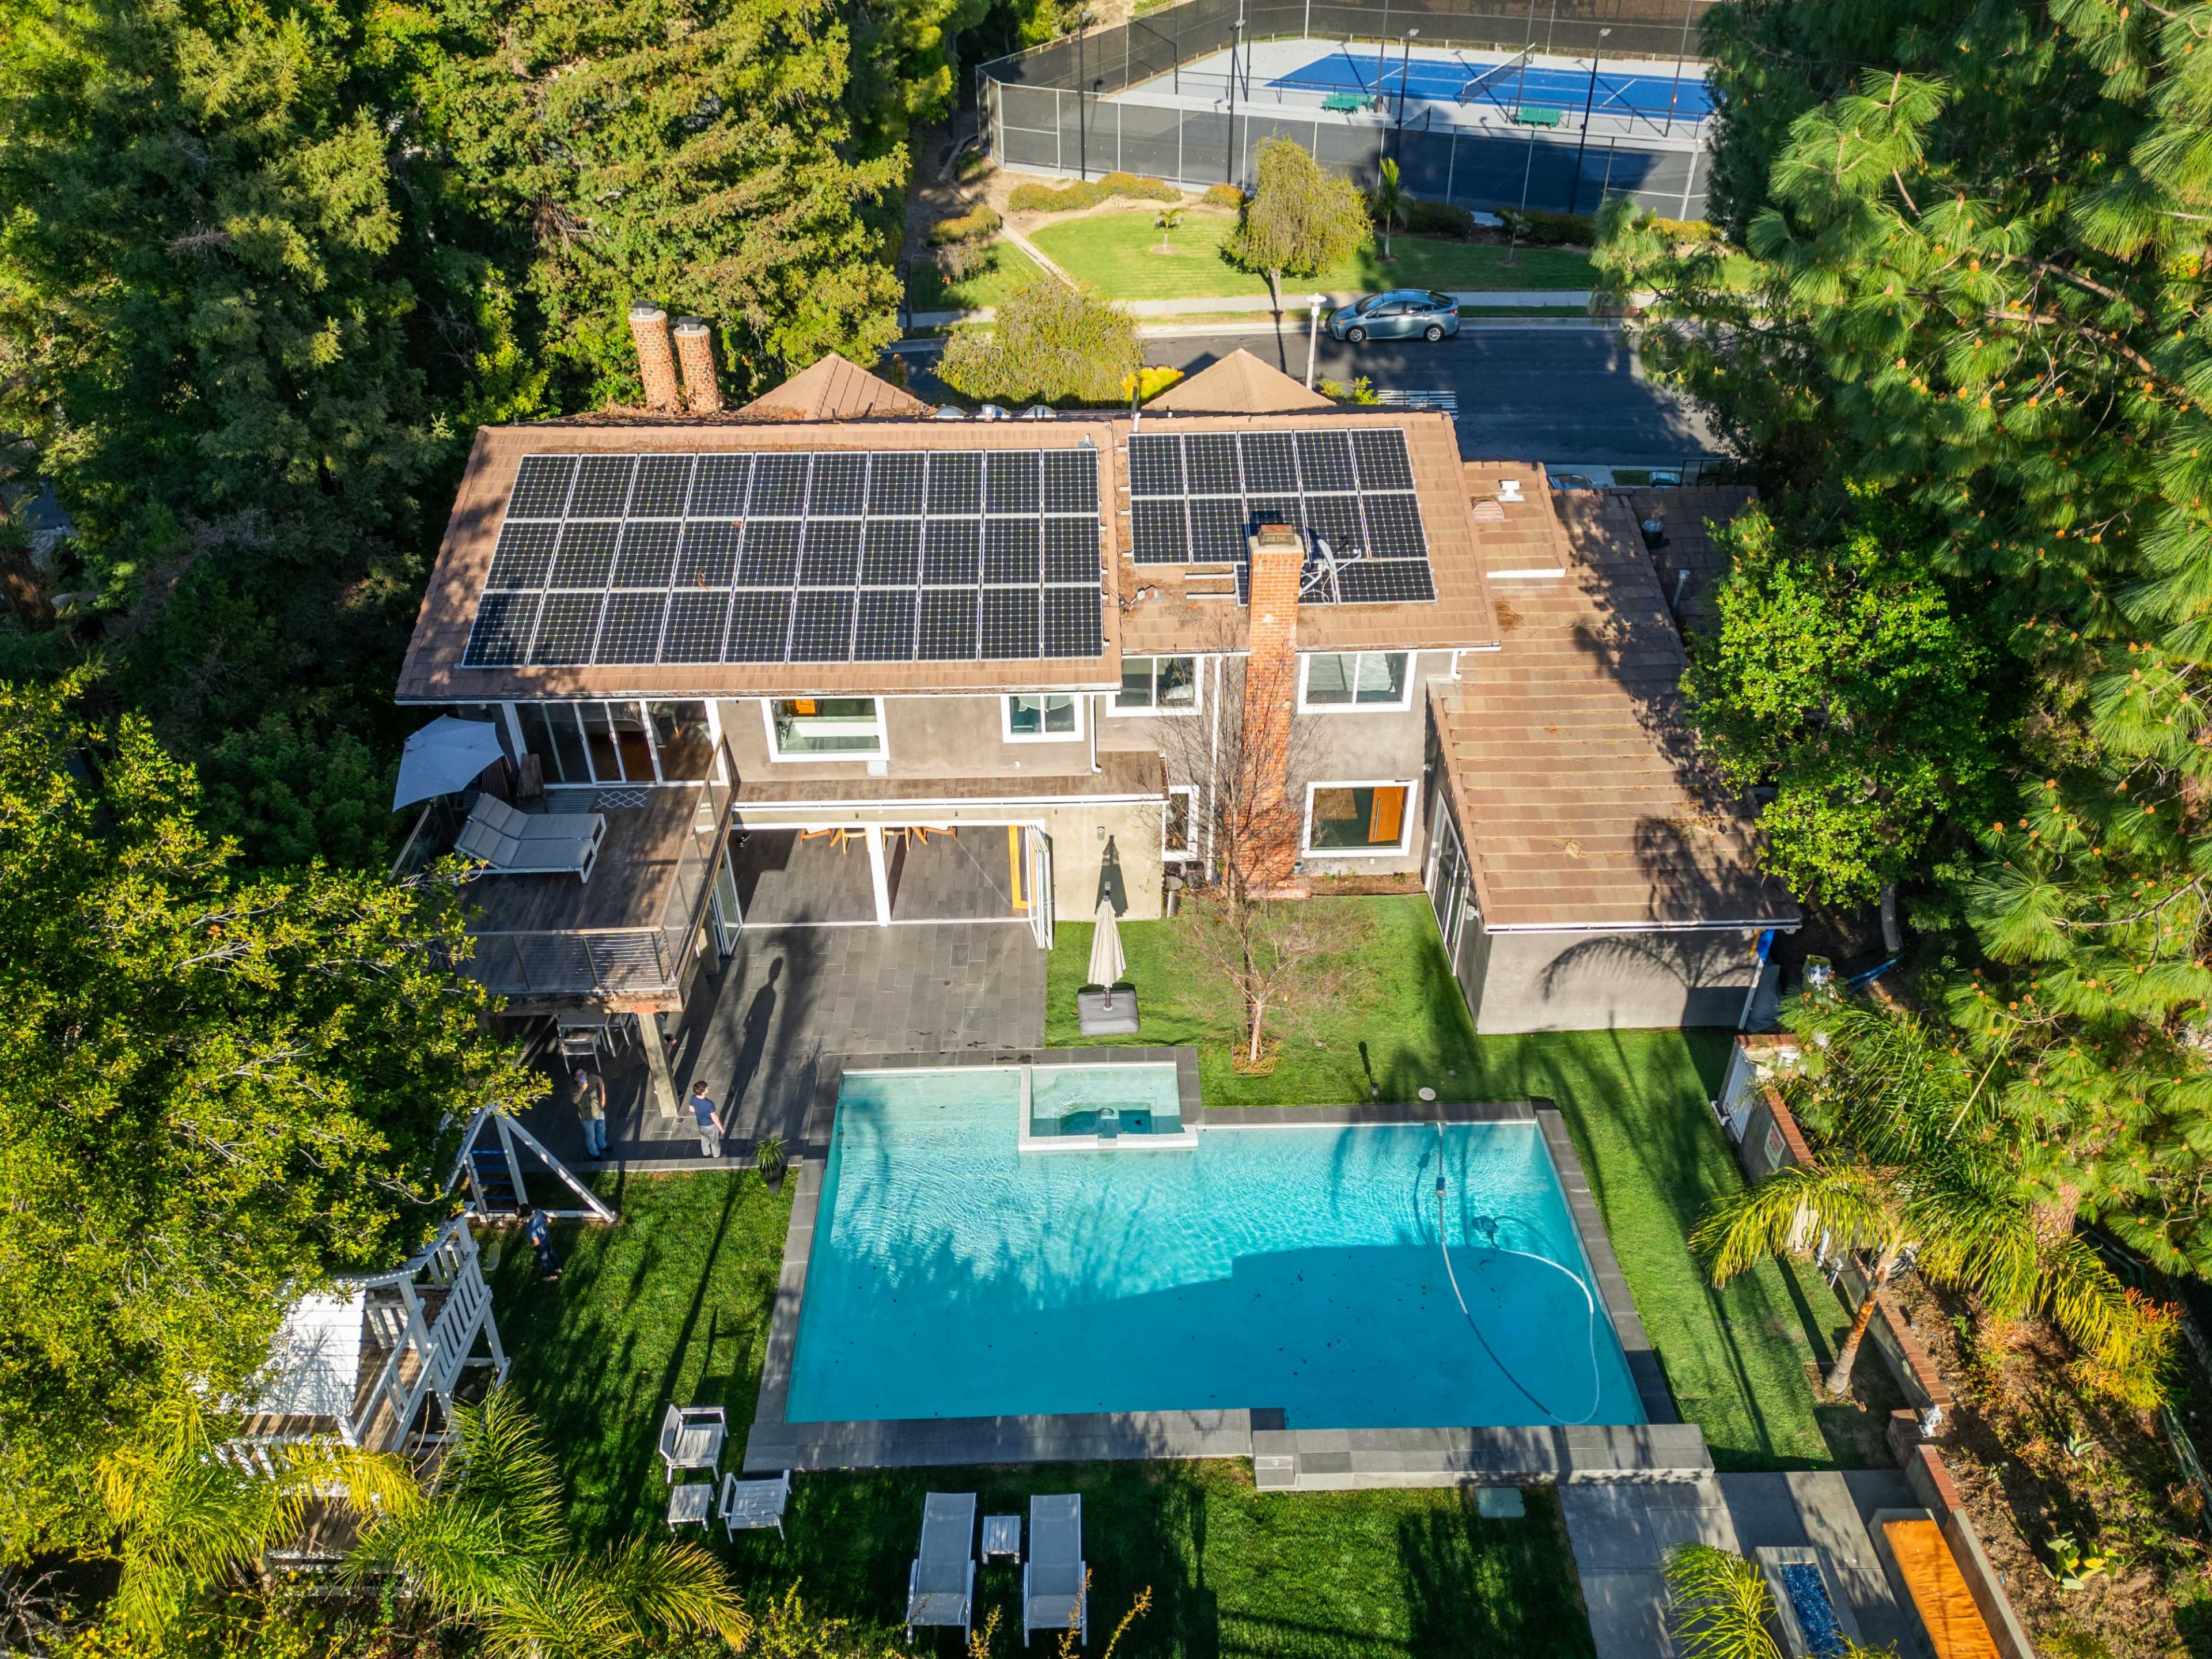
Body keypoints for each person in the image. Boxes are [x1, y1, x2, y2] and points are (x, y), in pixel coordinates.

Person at [571, 1066, 608, 1158]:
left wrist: (603, 1096)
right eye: (578, 1075)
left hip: (599, 1111)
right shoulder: (574, 1088)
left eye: (582, 1073)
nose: (581, 1076)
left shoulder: (591, 1078)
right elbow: (575, 1101)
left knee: (602, 1130)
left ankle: (603, 1146)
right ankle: (595, 1154)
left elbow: (600, 1079)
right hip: (587, 1117)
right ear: (575, 1078)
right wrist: (582, 1089)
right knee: (591, 1136)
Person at [521, 1205, 560, 1283]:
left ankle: (553, 1276)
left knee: (546, 1259)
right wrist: (544, 1227)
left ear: (524, 1217)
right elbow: (549, 1220)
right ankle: (558, 1268)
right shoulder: (539, 1212)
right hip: (546, 1237)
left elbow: (536, 1242)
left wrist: (532, 1246)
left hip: (541, 1245)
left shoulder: (531, 1228)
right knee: (551, 1252)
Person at [690, 1078, 724, 1159]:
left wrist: (700, 1112)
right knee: (714, 1142)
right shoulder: (709, 1103)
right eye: (706, 1088)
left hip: (701, 1125)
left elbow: (691, 1109)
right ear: (703, 1092)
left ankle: (706, 1154)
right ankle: (717, 1156)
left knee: (704, 1140)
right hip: (710, 1126)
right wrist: (721, 1128)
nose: (708, 1087)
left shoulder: (693, 1098)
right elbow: (714, 1117)